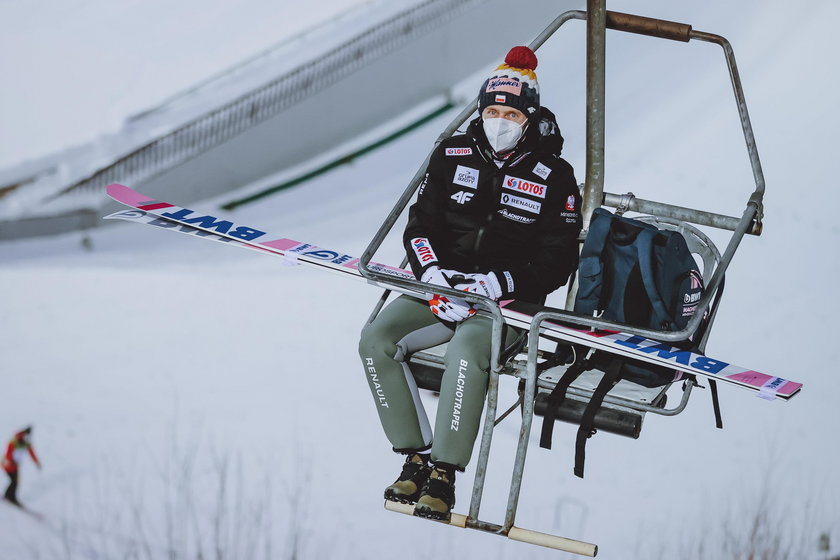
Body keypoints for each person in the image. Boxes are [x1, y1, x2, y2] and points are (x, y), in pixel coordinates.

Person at [358, 46, 581, 520]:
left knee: (466, 352)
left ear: (530, 118)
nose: (500, 121)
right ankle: (414, 458)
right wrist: (433, 276)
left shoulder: (555, 176)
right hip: (442, 288)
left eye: (512, 113)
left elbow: (558, 259)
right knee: (376, 339)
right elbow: (419, 227)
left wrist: (497, 284)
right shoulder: (451, 155)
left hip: (509, 304)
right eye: (493, 111)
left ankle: (444, 474)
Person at [3, 426, 41, 506]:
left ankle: (8, 495)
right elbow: (8, 454)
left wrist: (36, 462)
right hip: (8, 465)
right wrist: (11, 461)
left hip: (15, 466)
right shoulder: (14, 441)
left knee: (14, 481)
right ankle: (10, 497)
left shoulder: (26, 443)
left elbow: (32, 453)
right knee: (14, 481)